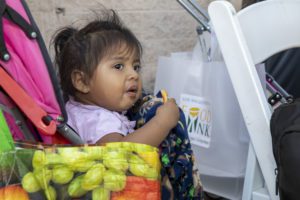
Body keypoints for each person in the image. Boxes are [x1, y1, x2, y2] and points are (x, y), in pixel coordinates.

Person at [53, 9, 179, 146]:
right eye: (118, 66)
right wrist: (162, 122)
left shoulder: (76, 109)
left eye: (136, 67)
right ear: (82, 81)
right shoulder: (99, 120)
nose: (134, 74)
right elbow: (122, 154)